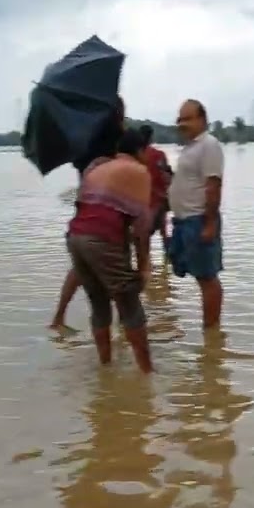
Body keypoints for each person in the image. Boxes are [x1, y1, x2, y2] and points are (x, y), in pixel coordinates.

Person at [66, 116, 155, 372]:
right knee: (130, 304)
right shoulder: (139, 172)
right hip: (100, 240)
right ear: (141, 151)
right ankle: (147, 372)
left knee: (99, 304)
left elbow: (84, 205)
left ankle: (105, 367)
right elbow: (142, 228)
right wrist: (144, 267)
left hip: (75, 237)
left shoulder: (97, 166)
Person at [50, 100, 134, 330]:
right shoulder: (109, 138)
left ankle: (59, 317)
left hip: (85, 206)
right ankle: (125, 324)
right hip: (109, 208)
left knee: (80, 268)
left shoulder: (85, 137)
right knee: (120, 266)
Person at [168, 99, 224, 329]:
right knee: (194, 274)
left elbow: (213, 185)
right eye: (180, 119)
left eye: (188, 118)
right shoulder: (189, 148)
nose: (182, 123)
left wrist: (210, 223)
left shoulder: (209, 145)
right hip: (183, 222)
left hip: (199, 220)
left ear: (202, 119)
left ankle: (211, 333)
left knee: (207, 278)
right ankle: (210, 331)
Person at [139, 124, 174, 258]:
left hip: (145, 202)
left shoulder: (138, 156)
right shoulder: (159, 155)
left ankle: (146, 267)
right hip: (160, 199)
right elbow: (166, 176)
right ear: (151, 137)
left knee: (144, 236)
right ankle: (168, 265)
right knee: (164, 231)